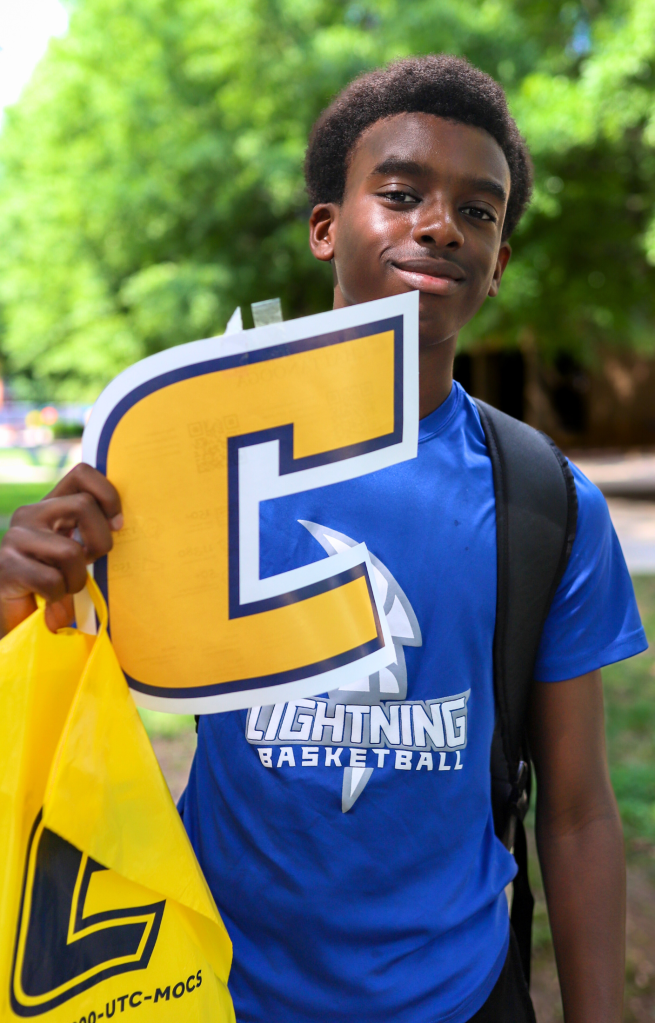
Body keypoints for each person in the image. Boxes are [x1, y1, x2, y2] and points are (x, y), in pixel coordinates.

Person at [0, 54, 647, 1023]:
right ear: (325, 226)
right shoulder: (187, 456)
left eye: (480, 212)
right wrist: (17, 595)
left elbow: (581, 809)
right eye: (398, 194)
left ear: (500, 262)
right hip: (217, 990)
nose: (439, 224)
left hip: (458, 995)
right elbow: (51, 704)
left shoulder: (545, 502)